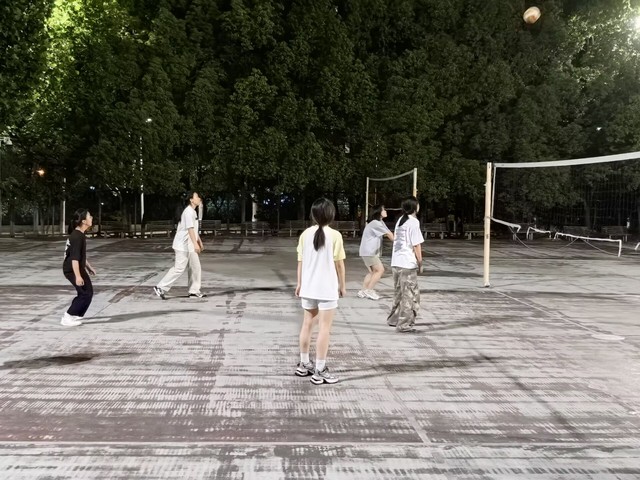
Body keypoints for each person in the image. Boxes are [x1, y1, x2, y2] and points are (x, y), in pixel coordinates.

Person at [294, 198, 346, 385]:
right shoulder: (335, 235)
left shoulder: (305, 234)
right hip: (326, 288)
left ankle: (304, 364)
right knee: (324, 328)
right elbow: (339, 264)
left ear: (313, 215)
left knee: (307, 324)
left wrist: (299, 284)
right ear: (331, 215)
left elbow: (300, 262)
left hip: (308, 287)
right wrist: (342, 285)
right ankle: (320, 370)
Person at [154, 192, 205, 299]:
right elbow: (190, 229)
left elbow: (194, 230)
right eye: (197, 196)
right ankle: (160, 287)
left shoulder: (193, 212)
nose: (199, 198)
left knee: (195, 267)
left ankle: (194, 291)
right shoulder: (188, 212)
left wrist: (199, 241)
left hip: (190, 245)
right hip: (182, 245)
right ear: (191, 200)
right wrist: (195, 244)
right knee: (179, 269)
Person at [387, 196, 424, 333]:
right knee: (410, 294)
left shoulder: (400, 221)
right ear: (414, 207)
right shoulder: (414, 222)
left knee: (399, 292)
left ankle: (394, 319)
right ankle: (404, 324)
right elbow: (416, 245)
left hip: (396, 262)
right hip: (407, 263)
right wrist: (420, 262)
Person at [61, 209, 96, 326]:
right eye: (89, 216)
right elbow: (74, 259)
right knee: (85, 293)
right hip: (72, 269)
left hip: (76, 267)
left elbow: (80, 255)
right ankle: (68, 316)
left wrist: (89, 267)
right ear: (84, 221)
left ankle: (75, 315)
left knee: (87, 292)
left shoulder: (79, 234)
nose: (91, 218)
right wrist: (78, 276)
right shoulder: (77, 236)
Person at [358, 205, 394, 300]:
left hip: (367, 251)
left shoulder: (379, 222)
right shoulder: (376, 223)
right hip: (369, 252)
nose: (385, 211)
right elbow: (389, 234)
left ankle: (363, 291)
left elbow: (388, 232)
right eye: (384, 209)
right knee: (380, 270)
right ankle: (369, 290)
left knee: (372, 272)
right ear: (378, 212)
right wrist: (399, 244)